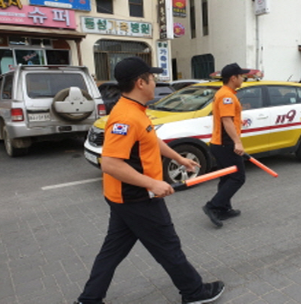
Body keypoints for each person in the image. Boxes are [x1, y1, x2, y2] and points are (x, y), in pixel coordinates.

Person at [75, 57, 224, 304]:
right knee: (168, 246)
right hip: (137, 198)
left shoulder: (135, 110)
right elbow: (111, 163)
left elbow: (150, 140)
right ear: (140, 82)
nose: (155, 83)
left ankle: (89, 299)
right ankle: (194, 292)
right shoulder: (125, 117)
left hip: (124, 198)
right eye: (152, 78)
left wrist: (179, 158)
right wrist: (152, 183)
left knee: (112, 251)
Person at [202, 63, 250, 228]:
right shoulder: (226, 96)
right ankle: (213, 206)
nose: (243, 78)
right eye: (241, 76)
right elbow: (226, 120)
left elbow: (229, 118)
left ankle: (223, 209)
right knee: (238, 177)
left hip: (220, 143)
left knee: (227, 178)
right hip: (226, 145)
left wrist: (238, 121)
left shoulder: (225, 93)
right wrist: (237, 142)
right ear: (233, 78)